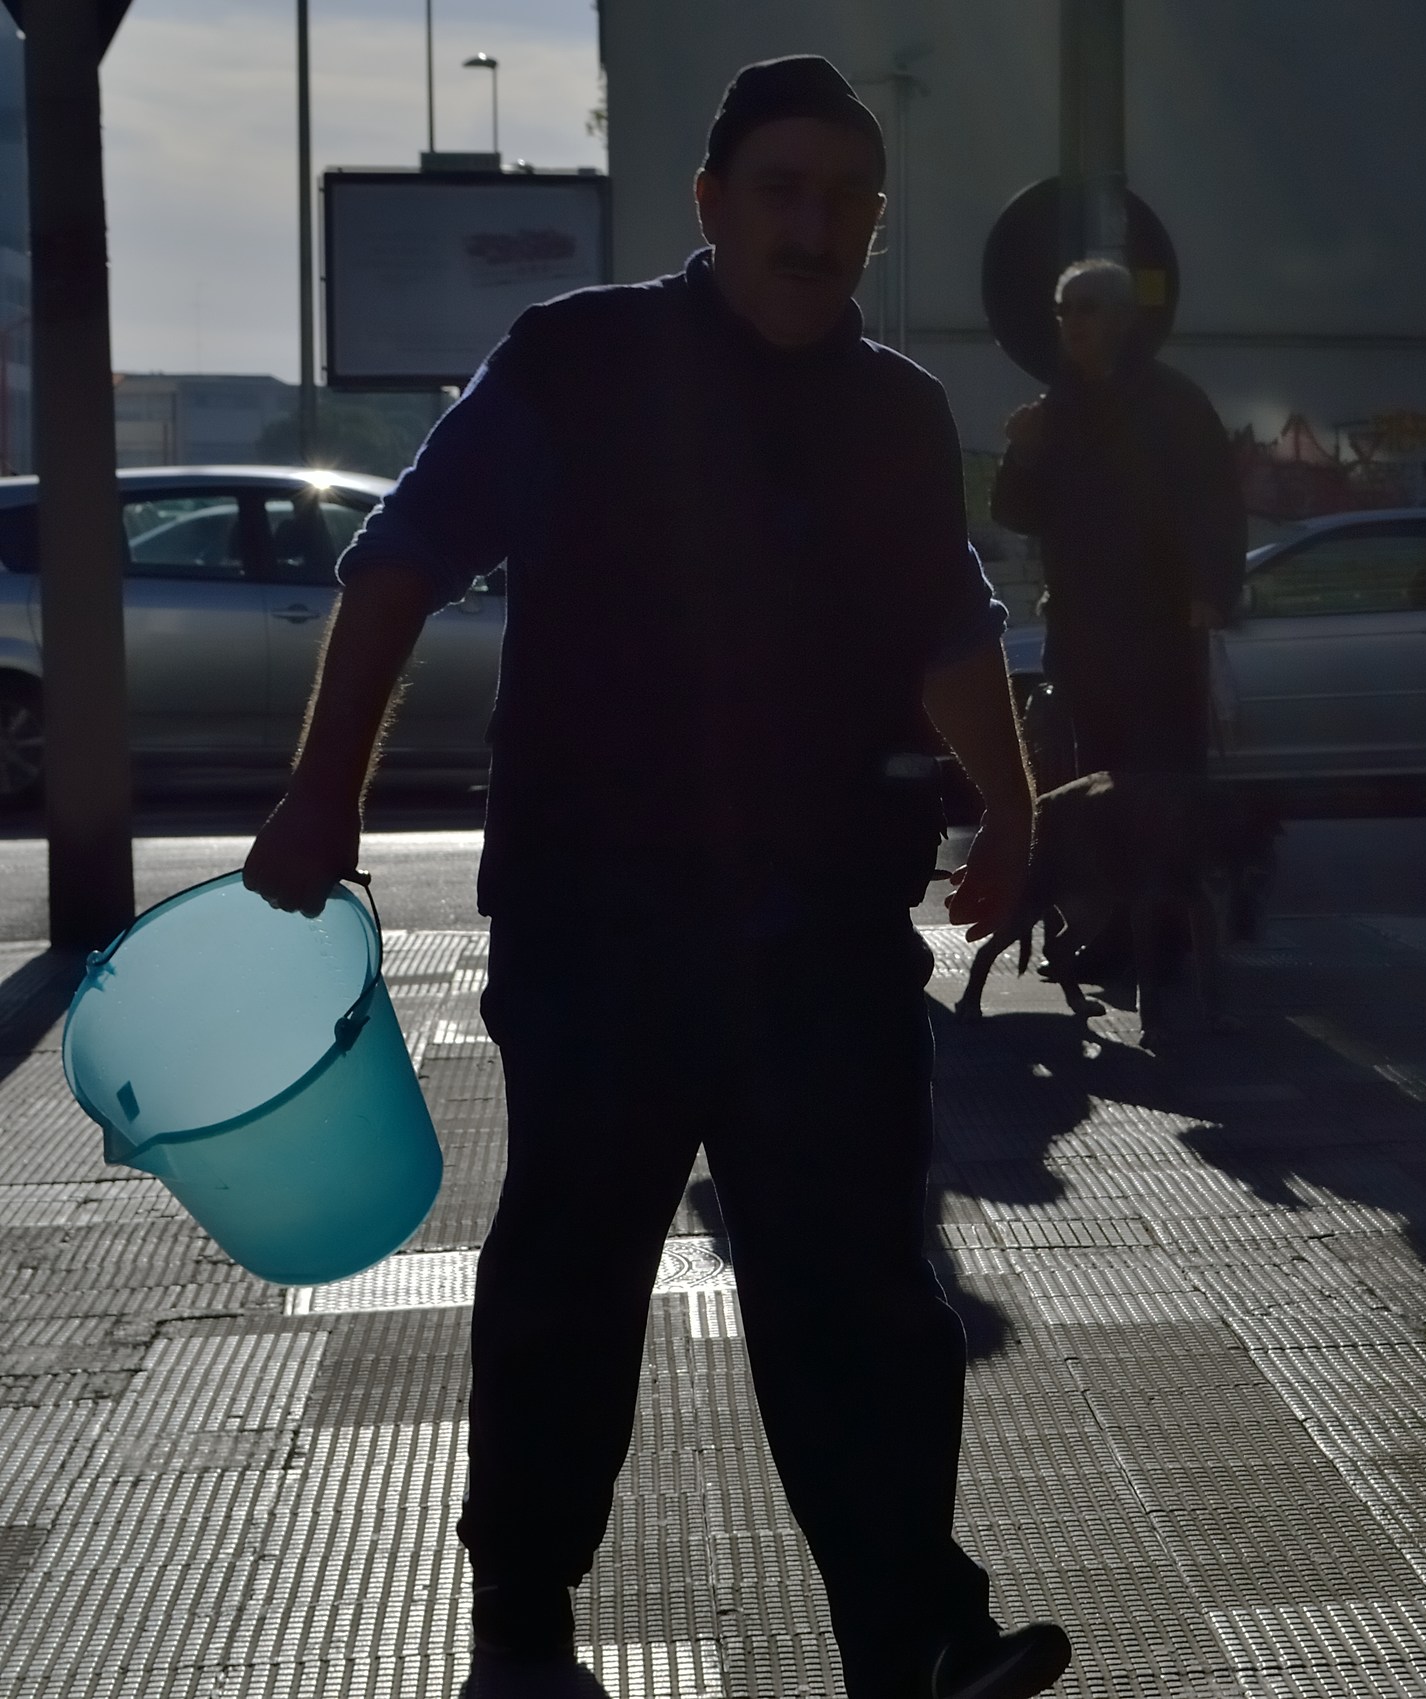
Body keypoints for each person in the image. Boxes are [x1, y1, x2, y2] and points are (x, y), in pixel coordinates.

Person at [243, 57, 1069, 1699]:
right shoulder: (577, 362)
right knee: (570, 1276)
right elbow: (401, 557)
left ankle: (909, 1631)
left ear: (875, 223)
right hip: (596, 931)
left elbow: (950, 624)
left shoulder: (897, 412)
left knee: (864, 1298)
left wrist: (1015, 808)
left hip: (828, 933)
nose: (811, 225)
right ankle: (525, 1626)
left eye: (845, 198)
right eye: (779, 189)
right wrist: (320, 790)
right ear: (708, 204)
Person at [989, 259, 1247, 779]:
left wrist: (1210, 592)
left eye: (1088, 308)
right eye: (1064, 311)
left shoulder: (1172, 401)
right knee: (1090, 779)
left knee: (1164, 775)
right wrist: (1023, 455)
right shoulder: (1056, 408)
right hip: (1080, 631)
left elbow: (1215, 500)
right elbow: (1015, 512)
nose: (1073, 322)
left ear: (1124, 318)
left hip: (1159, 630)